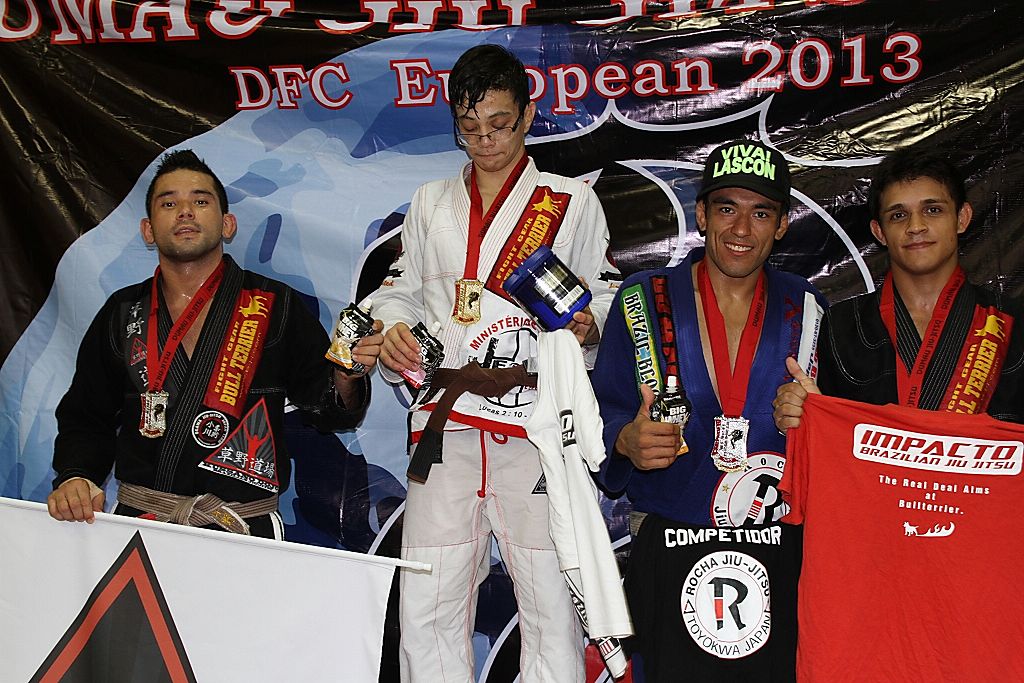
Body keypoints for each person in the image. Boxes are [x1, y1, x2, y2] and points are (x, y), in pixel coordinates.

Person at [371, 44, 619, 683]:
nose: (484, 141)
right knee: (427, 596)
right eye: (469, 128)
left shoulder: (569, 201)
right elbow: (400, 290)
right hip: (445, 423)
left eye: (499, 124)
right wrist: (393, 328)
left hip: (535, 425)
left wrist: (591, 323)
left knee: (551, 600)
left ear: (529, 116)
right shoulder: (429, 201)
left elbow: (607, 293)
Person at [47, 149, 382, 539]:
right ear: (148, 230)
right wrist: (76, 474)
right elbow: (87, 414)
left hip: (244, 524)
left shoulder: (273, 304)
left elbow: (329, 410)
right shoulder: (124, 312)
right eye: (169, 203)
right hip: (144, 519)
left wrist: (346, 376)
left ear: (227, 224)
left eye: (201, 201)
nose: (185, 212)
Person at [592, 139, 825, 681]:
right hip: (669, 535)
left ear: (782, 225)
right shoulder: (641, 298)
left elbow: (843, 434)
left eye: (761, 213)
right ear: (701, 215)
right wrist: (625, 441)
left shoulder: (808, 307)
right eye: (726, 208)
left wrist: (814, 418)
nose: (741, 229)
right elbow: (598, 414)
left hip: (776, 541)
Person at [774, 147, 1024, 428]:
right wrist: (809, 415)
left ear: (962, 218)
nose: (916, 226)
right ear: (879, 232)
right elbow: (831, 438)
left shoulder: (1013, 324)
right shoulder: (842, 327)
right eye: (898, 215)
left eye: (932, 210)